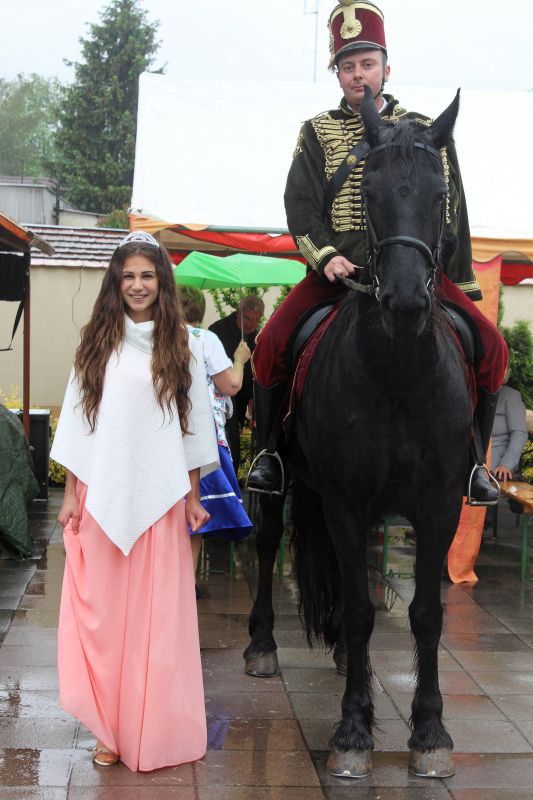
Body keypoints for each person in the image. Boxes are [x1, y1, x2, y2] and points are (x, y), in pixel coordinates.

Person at [248, 0, 507, 504]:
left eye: (367, 63)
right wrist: (325, 256)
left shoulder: (426, 128)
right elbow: (300, 205)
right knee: (271, 344)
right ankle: (270, 454)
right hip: (338, 273)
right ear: (337, 74)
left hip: (415, 273)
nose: (358, 74)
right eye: (347, 66)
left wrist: (457, 278)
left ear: (386, 69)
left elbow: (452, 207)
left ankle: (474, 461)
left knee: (493, 348)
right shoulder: (317, 132)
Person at [50, 231, 219, 772]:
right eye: (129, 276)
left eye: (147, 275)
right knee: (104, 618)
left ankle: (152, 729)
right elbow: (79, 421)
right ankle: (109, 729)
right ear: (116, 282)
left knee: (155, 622)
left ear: (162, 281)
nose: (138, 285)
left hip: (161, 499)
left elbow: (193, 426)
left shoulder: (183, 346)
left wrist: (194, 497)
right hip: (102, 493)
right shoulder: (96, 342)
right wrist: (71, 494)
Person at [177, 285, 253, 575]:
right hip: (201, 436)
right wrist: (240, 360)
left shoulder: (157, 336)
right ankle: (186, 583)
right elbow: (231, 385)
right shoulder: (205, 338)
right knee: (195, 515)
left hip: (164, 436)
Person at [209, 294, 264, 472]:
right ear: (237, 313)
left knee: (236, 443)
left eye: (255, 320)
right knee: (230, 447)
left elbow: (254, 372)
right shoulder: (217, 331)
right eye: (247, 318)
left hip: (241, 399)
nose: (250, 324)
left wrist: (252, 397)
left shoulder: (257, 338)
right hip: (221, 397)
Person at [491, 367, 528, 482]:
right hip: (473, 458)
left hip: (497, 465)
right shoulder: (476, 395)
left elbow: (519, 433)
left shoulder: (511, 396)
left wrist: (506, 464)